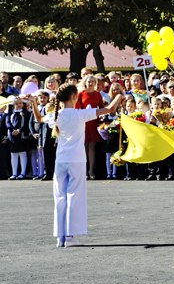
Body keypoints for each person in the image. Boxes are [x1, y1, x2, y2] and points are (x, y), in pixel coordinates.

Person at [29, 86, 122, 247]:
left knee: (60, 197)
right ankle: (70, 237)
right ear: (73, 96)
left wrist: (33, 103)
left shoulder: (56, 115)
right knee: (74, 196)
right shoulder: (80, 114)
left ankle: (60, 236)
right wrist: (120, 95)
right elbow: (110, 108)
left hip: (61, 160)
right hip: (76, 160)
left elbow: (39, 118)